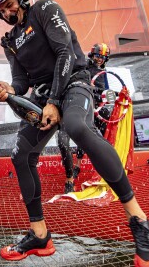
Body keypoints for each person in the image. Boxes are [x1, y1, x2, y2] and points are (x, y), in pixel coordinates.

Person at [0, 0, 149, 266]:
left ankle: (140, 222)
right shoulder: (9, 41)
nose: (7, 13)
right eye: (1, 11)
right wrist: (10, 88)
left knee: (76, 127)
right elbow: (22, 81)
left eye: (9, 5)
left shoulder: (45, 9)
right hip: (44, 96)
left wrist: (55, 101)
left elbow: (65, 53)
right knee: (20, 155)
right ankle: (40, 235)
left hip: (74, 82)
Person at [59, 42, 112, 193]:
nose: (100, 59)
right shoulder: (83, 66)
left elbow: (105, 91)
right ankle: (74, 170)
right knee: (67, 136)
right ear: (91, 55)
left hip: (94, 107)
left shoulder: (103, 73)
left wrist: (111, 96)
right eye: (97, 56)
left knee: (102, 124)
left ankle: (102, 165)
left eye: (102, 57)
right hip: (78, 104)